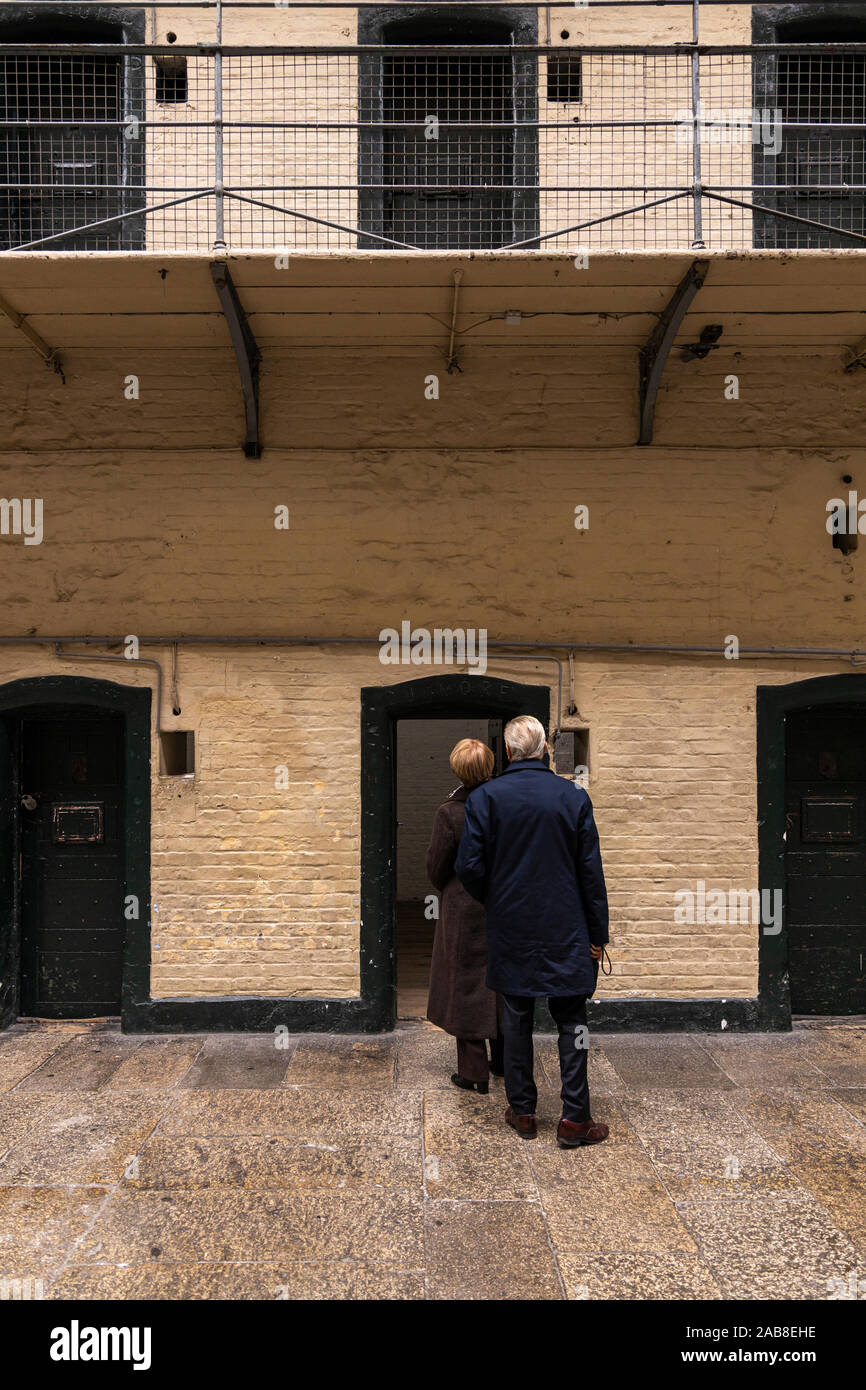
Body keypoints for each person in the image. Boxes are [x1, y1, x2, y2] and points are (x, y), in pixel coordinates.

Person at [455, 714, 610, 1147]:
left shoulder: (485, 798)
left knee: (516, 1017)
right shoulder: (572, 797)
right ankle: (575, 1120)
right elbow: (590, 874)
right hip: (567, 928)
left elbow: (469, 867)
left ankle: (523, 1111)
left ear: (507, 752)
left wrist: (498, 898)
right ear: (544, 750)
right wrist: (599, 935)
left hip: (511, 926)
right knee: (571, 1020)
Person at [426, 737, 504, 1094]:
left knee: (465, 984)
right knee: (502, 980)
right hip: (503, 902)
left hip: (463, 906)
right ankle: (504, 1059)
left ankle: (474, 1073)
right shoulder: (504, 803)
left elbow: (436, 867)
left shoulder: (450, 812)